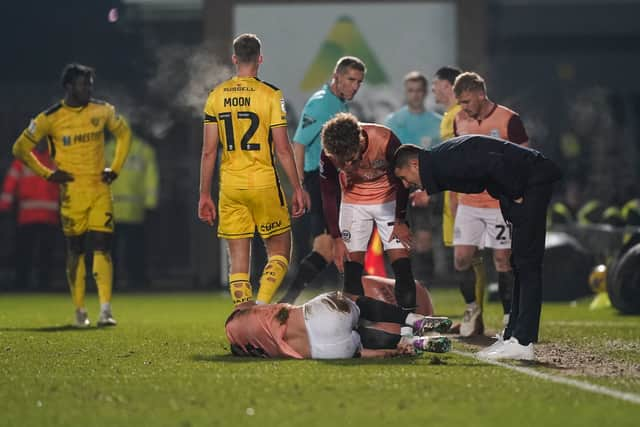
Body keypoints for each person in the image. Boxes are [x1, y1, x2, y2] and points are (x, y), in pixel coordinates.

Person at [393, 136, 562, 360]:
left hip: (533, 180)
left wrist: (517, 192)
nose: (406, 184)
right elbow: (485, 172)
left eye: (404, 178)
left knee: (527, 263)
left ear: (414, 164)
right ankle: (513, 335)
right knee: (519, 263)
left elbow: (493, 162)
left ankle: (523, 341)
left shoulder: (445, 161)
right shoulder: (440, 162)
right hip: (526, 182)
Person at [11, 63, 131, 327]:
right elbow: (20, 148)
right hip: (71, 195)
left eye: (90, 83)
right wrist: (47, 173)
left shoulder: (103, 110)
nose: (88, 88)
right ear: (68, 87)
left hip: (100, 189)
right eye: (82, 84)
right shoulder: (49, 118)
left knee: (103, 246)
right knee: (76, 250)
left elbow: (124, 134)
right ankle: (79, 311)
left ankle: (105, 310)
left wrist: (116, 168)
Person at [198, 33, 308, 306]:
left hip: (231, 186)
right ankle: (261, 305)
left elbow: (209, 151)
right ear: (260, 59)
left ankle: (243, 324)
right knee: (281, 251)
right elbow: (282, 148)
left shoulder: (216, 96)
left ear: (234, 59)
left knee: (238, 262)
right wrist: (297, 188)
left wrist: (204, 195)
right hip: (263, 183)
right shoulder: (270, 95)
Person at [279, 56, 366, 304]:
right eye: (350, 79)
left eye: (359, 81)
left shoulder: (338, 103)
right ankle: (290, 300)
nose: (355, 86)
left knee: (327, 248)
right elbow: (298, 144)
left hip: (329, 181)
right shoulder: (321, 104)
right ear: (335, 76)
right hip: (319, 181)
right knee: (337, 246)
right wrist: (299, 186)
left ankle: (288, 301)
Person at [319, 112, 417, 312]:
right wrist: (336, 237)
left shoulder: (385, 139)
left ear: (361, 141)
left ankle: (410, 330)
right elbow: (328, 193)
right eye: (341, 163)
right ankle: (355, 329)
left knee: (402, 266)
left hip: (388, 201)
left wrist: (400, 219)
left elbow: (403, 180)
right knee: (351, 271)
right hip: (353, 204)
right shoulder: (328, 153)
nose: (347, 167)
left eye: (352, 160)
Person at [225, 290, 452, 359]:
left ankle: (413, 344)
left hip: (326, 351)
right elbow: (247, 303)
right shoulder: (245, 316)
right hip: (322, 316)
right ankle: (414, 321)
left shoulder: (256, 348)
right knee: (355, 302)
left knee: (360, 344)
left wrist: (389, 352)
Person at [0, 142, 59, 291]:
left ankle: (31, 284)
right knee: (31, 253)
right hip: (39, 215)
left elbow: (10, 184)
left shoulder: (26, 160)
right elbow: (10, 183)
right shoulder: (52, 162)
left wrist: (5, 207)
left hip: (34, 215)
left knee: (36, 254)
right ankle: (30, 284)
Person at [105, 132, 159, 289]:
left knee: (112, 249)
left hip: (112, 208)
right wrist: (151, 204)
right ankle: (136, 280)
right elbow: (151, 179)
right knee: (135, 248)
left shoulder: (106, 149)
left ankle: (111, 281)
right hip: (134, 209)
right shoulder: (143, 149)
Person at [384, 71, 442, 148]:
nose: (415, 95)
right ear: (405, 92)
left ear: (425, 92)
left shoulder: (439, 123)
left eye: (419, 90)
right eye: (410, 90)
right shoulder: (392, 121)